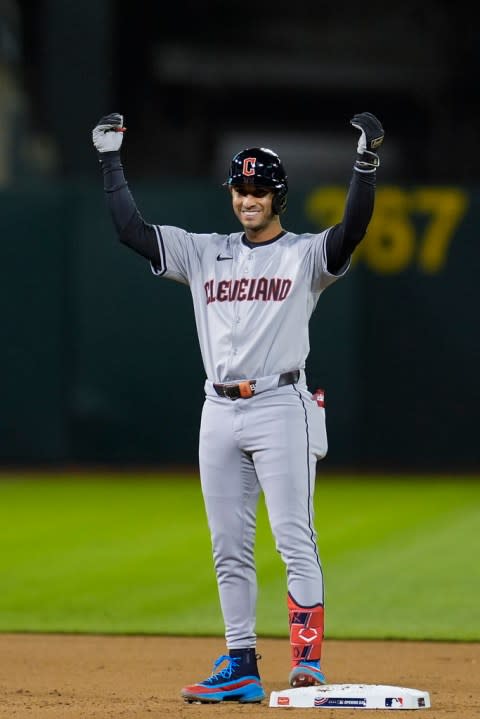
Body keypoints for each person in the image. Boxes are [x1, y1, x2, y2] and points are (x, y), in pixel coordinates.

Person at [92, 110, 384, 704]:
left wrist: (365, 161)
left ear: (277, 196)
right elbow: (131, 230)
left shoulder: (303, 255)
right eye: (240, 188)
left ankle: (307, 663)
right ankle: (243, 663)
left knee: (292, 535)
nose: (248, 197)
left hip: (282, 402)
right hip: (218, 409)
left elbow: (351, 229)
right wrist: (109, 159)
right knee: (228, 545)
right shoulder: (204, 252)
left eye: (259, 189)